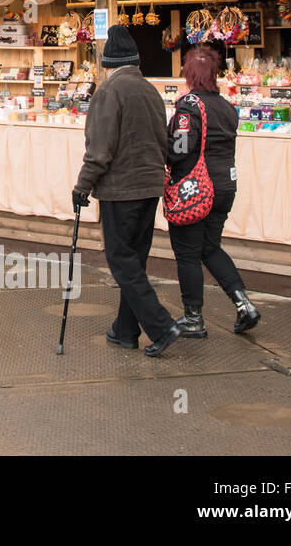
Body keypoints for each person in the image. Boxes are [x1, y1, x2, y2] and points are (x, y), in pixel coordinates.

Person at [72, 24, 181, 357]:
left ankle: (161, 326)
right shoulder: (150, 91)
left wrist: (82, 185)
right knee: (135, 261)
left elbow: (99, 149)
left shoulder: (108, 92)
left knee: (121, 261)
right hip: (150, 188)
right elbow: (164, 142)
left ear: (107, 63)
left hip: (121, 190)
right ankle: (126, 330)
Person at [166, 45, 261, 337]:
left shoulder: (188, 105)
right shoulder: (227, 107)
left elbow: (180, 150)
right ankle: (243, 304)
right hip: (224, 188)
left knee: (187, 254)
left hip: (195, 190)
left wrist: (162, 144)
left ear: (189, 74)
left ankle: (193, 318)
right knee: (210, 247)